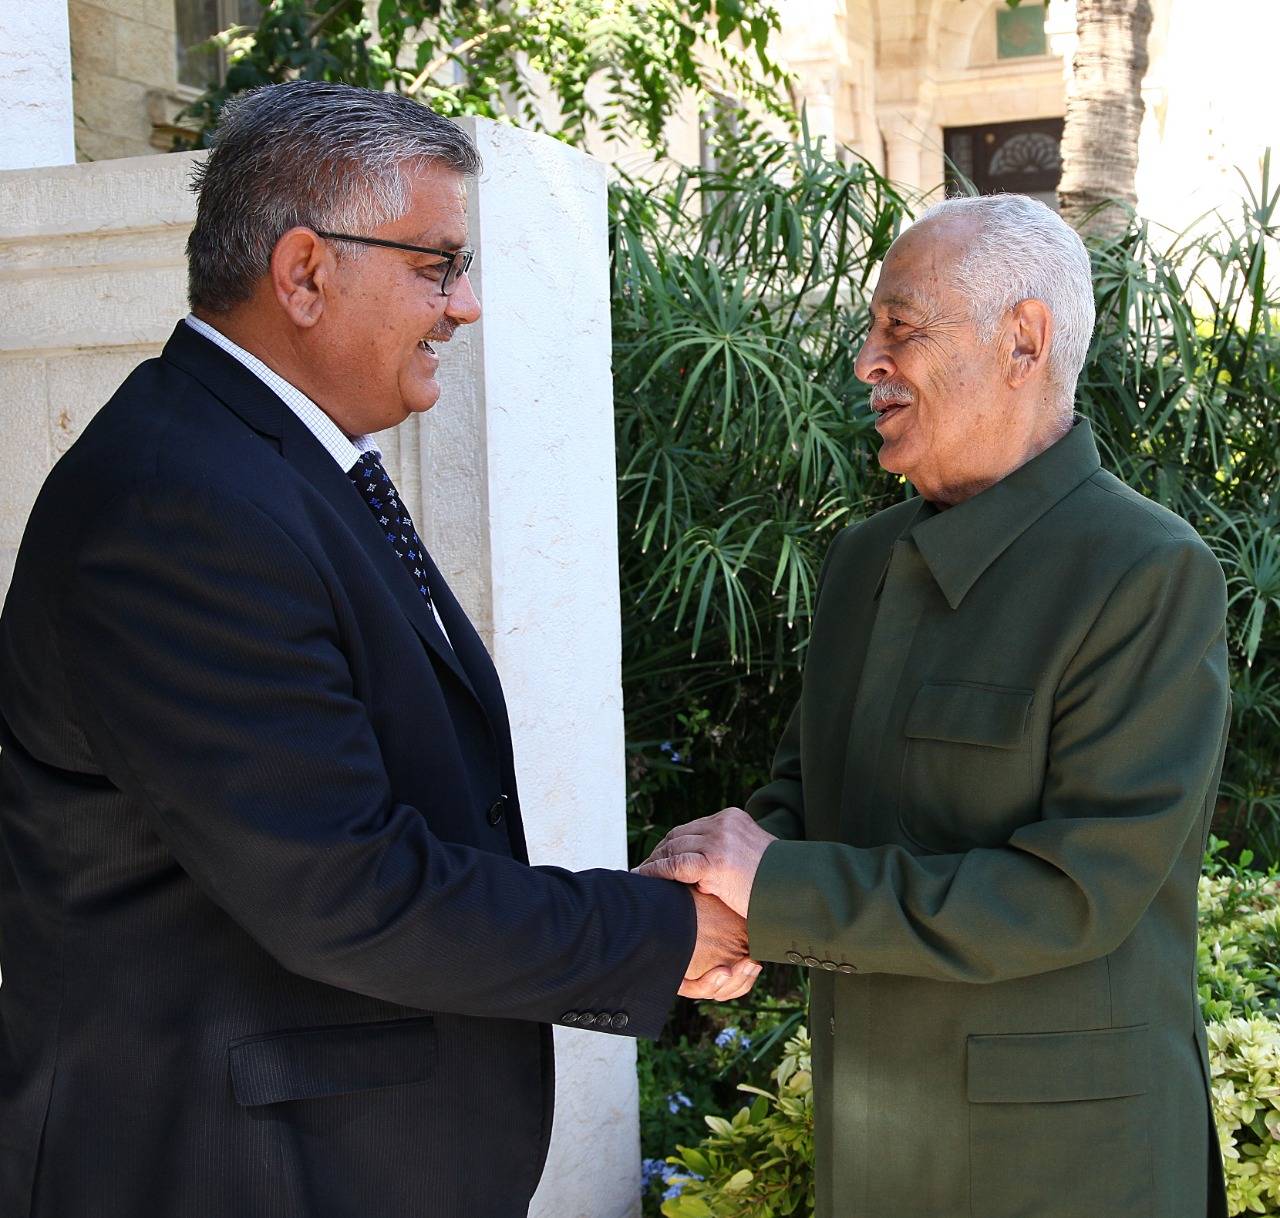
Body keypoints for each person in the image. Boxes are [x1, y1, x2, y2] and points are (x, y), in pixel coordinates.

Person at [0, 81, 758, 1218]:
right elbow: (341, 888)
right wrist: (656, 931)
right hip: (229, 1171)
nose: (466, 307)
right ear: (305, 272)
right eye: (438, 266)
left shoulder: (264, 465)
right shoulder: (180, 501)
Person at [639, 193, 1231, 1218]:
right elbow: (807, 797)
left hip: (1066, 1165)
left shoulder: (1145, 570)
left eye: (900, 327)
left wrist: (774, 888)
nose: (866, 361)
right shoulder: (864, 559)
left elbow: (1073, 894)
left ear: (1023, 341)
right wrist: (722, 907)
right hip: (877, 1137)